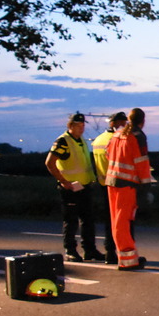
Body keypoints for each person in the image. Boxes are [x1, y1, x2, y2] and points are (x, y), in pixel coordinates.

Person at [44, 112, 105, 263]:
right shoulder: (63, 141)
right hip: (70, 189)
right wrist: (64, 181)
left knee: (88, 220)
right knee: (71, 221)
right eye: (78, 126)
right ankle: (70, 250)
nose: (81, 128)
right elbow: (49, 163)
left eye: (83, 125)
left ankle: (89, 250)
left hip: (84, 187)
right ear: (70, 126)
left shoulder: (81, 140)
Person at [104, 108, 153, 270]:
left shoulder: (118, 134)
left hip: (112, 182)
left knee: (117, 221)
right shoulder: (138, 137)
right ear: (143, 121)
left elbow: (107, 154)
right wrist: (146, 188)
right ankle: (128, 259)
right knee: (123, 222)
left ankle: (125, 256)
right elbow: (142, 163)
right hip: (127, 184)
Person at [90, 111, 127, 264]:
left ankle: (109, 252)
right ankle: (121, 252)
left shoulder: (98, 139)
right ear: (116, 123)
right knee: (121, 221)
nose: (125, 126)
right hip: (117, 185)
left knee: (109, 220)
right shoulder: (116, 139)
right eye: (124, 123)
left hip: (103, 184)